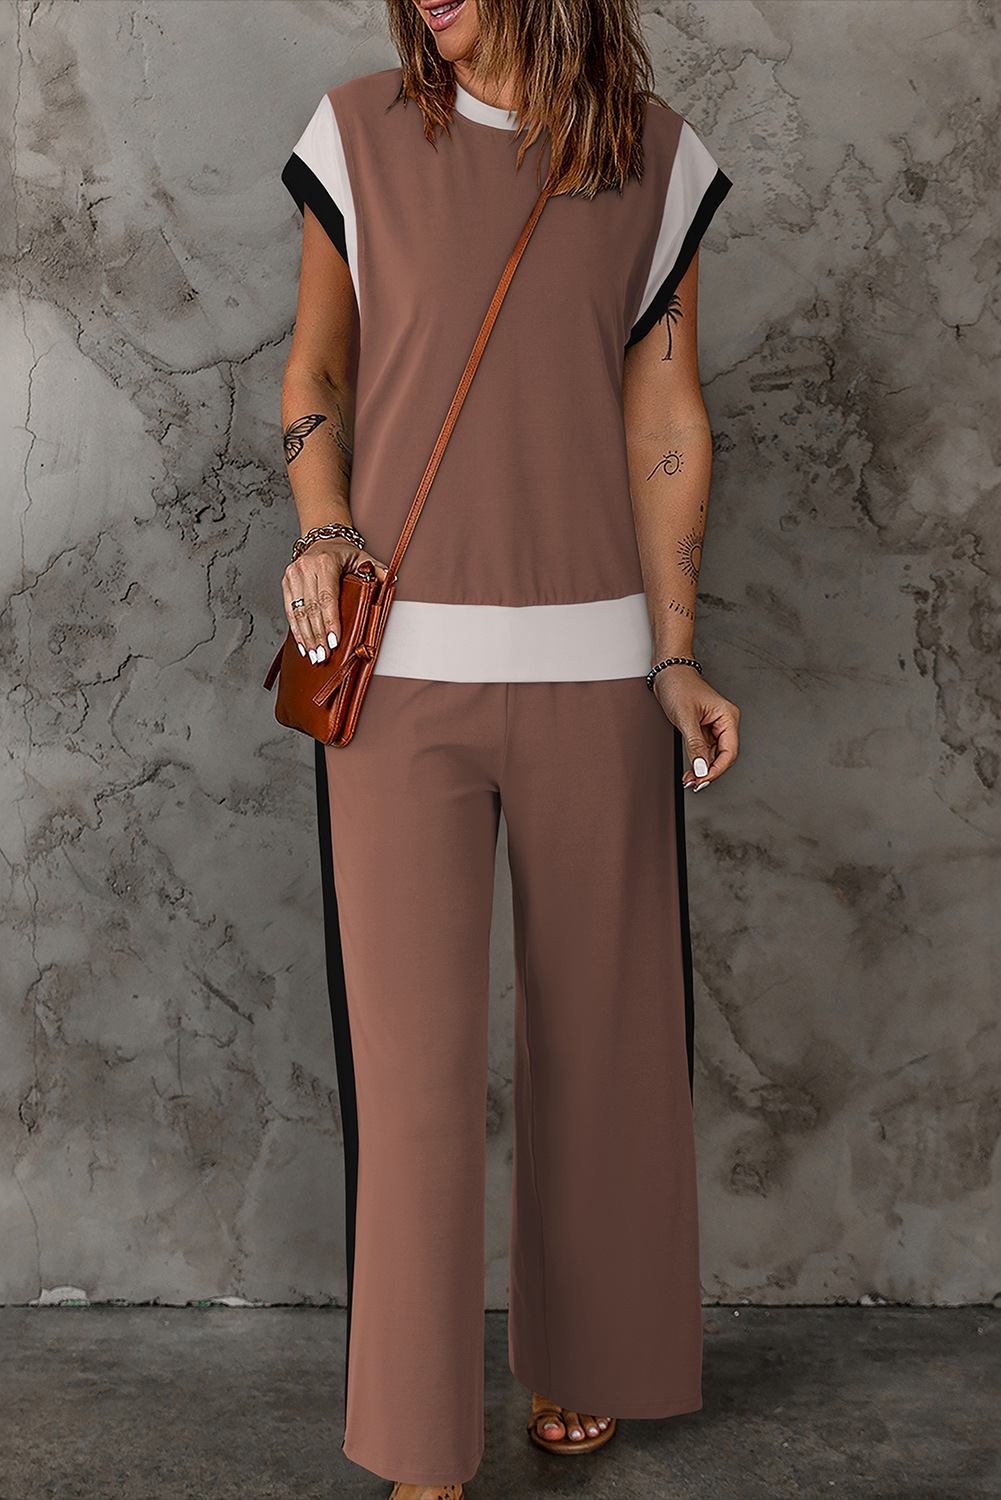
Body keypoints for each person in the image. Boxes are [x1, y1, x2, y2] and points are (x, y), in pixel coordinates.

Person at [277, 2, 738, 1496]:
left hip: (596, 677)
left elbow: (664, 415)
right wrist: (323, 531)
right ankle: (418, 1434)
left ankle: (581, 1359)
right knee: (413, 1079)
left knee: (602, 1048)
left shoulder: (655, 159)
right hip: (397, 687)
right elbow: (316, 373)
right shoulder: (355, 135)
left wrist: (673, 655)